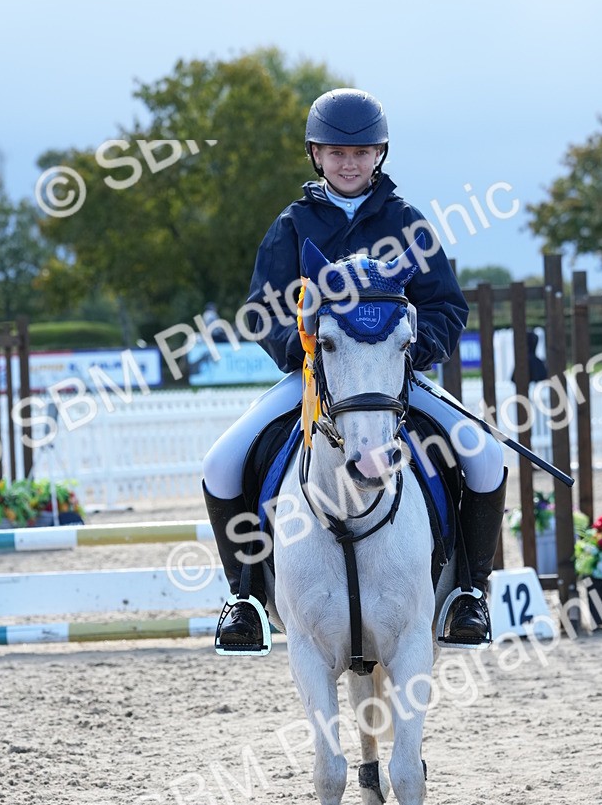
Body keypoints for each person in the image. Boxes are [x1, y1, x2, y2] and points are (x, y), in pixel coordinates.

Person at [202, 88, 506, 652]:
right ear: (316, 155)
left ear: (380, 155)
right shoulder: (292, 226)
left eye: (362, 152)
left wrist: (410, 353)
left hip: (395, 382)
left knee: (485, 456)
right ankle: (243, 597)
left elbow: (446, 307)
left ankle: (468, 591)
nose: (350, 162)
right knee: (221, 463)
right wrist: (302, 352)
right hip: (316, 380)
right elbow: (261, 308)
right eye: (337, 152)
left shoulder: (408, 222)